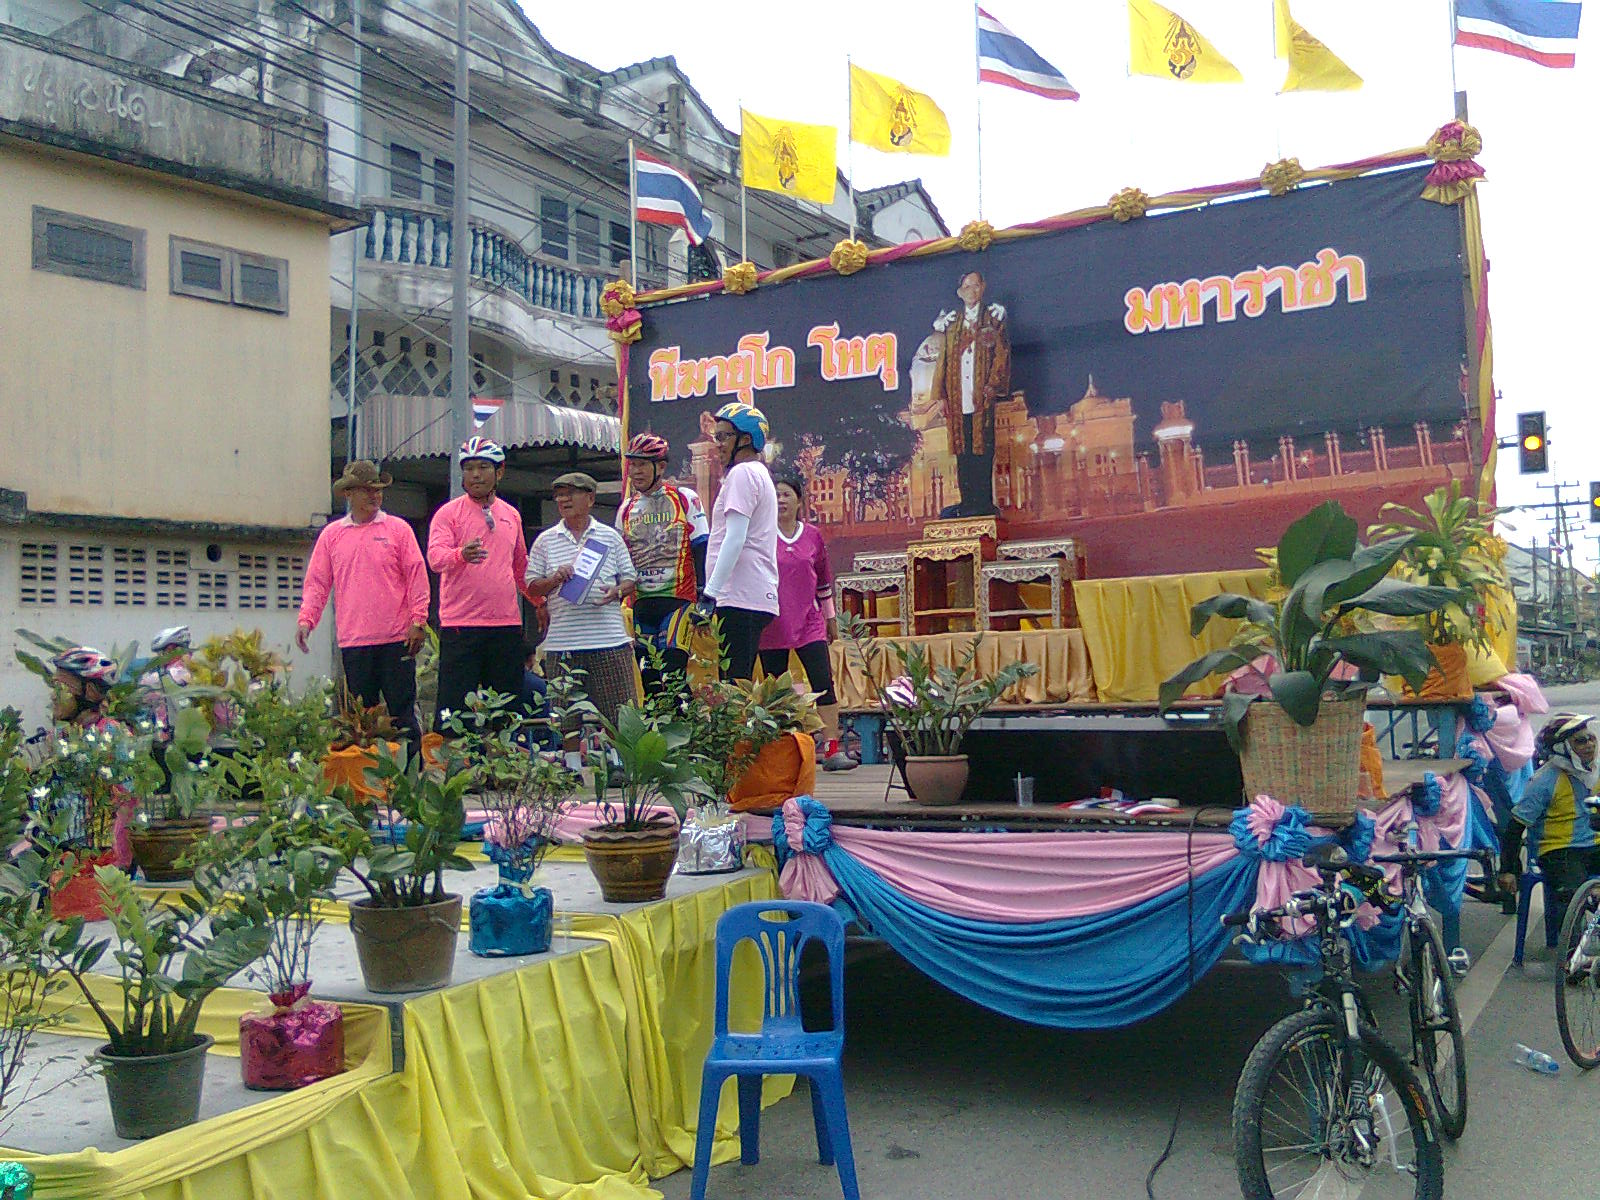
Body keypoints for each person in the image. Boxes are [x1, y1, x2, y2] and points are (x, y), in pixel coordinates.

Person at [298, 460, 430, 745]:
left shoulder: (399, 529)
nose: (374, 496)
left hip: (397, 639)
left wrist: (418, 621)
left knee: (403, 714)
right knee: (362, 720)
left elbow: (416, 576)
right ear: (349, 493)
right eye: (366, 490)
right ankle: (367, 771)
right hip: (355, 640)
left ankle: (411, 770)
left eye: (378, 490)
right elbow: (317, 582)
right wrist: (307, 620)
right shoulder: (332, 535)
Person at [524, 472, 638, 752]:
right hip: (563, 642)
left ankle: (618, 763)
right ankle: (572, 765)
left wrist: (617, 591)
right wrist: (554, 579)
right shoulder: (545, 540)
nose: (563, 500)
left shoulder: (610, 537)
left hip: (609, 640)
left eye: (571, 493)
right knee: (566, 715)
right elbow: (532, 586)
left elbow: (630, 578)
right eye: (559, 495)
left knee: (619, 711)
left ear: (590, 498)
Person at [427, 437, 532, 729]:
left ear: (499, 472)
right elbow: (435, 558)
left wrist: (540, 602)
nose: (475, 474)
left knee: (507, 711)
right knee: (455, 712)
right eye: (469, 468)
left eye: (483, 467)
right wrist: (460, 554)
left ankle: (503, 758)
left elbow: (520, 566)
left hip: (505, 624)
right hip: (461, 625)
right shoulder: (448, 514)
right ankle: (458, 758)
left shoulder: (511, 514)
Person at [758, 474, 855, 771]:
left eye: (786, 495)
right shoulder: (761, 535)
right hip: (771, 623)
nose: (781, 500)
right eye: (776, 495)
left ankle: (832, 749)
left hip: (810, 621)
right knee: (775, 689)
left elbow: (823, 579)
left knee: (823, 681)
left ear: (799, 501)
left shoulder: (812, 535)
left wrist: (830, 617)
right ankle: (782, 751)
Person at [615, 431, 708, 694]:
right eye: (632, 464)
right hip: (642, 603)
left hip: (678, 600)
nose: (635, 471)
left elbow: (701, 546)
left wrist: (704, 595)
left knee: (673, 674)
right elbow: (619, 558)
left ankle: (686, 721)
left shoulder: (684, 498)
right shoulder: (626, 508)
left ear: (661, 467)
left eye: (642, 464)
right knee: (651, 682)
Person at [695, 402, 779, 681]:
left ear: (745, 439)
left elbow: (735, 538)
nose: (717, 444)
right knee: (738, 681)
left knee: (734, 685)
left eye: (723, 437)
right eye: (715, 436)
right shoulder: (758, 473)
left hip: (739, 596)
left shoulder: (742, 474)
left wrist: (710, 592)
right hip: (749, 595)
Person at [1499, 713, 1600, 932]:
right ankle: (1573, 950)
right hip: (1560, 850)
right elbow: (1515, 827)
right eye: (1580, 741)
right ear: (1563, 748)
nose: (1590, 745)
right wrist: (1508, 869)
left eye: (1591, 738)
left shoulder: (1596, 772)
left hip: (1594, 846)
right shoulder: (1544, 781)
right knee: (1573, 897)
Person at [929, 270, 1010, 517]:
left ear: (982, 287)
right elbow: (942, 361)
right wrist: (941, 396)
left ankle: (983, 503)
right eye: (966, 286)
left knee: (983, 449)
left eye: (975, 286)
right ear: (959, 292)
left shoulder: (993, 319)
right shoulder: (952, 324)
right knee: (962, 451)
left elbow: (1001, 355)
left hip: (981, 398)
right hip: (957, 397)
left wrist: (992, 385)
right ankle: (967, 503)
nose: (971, 291)